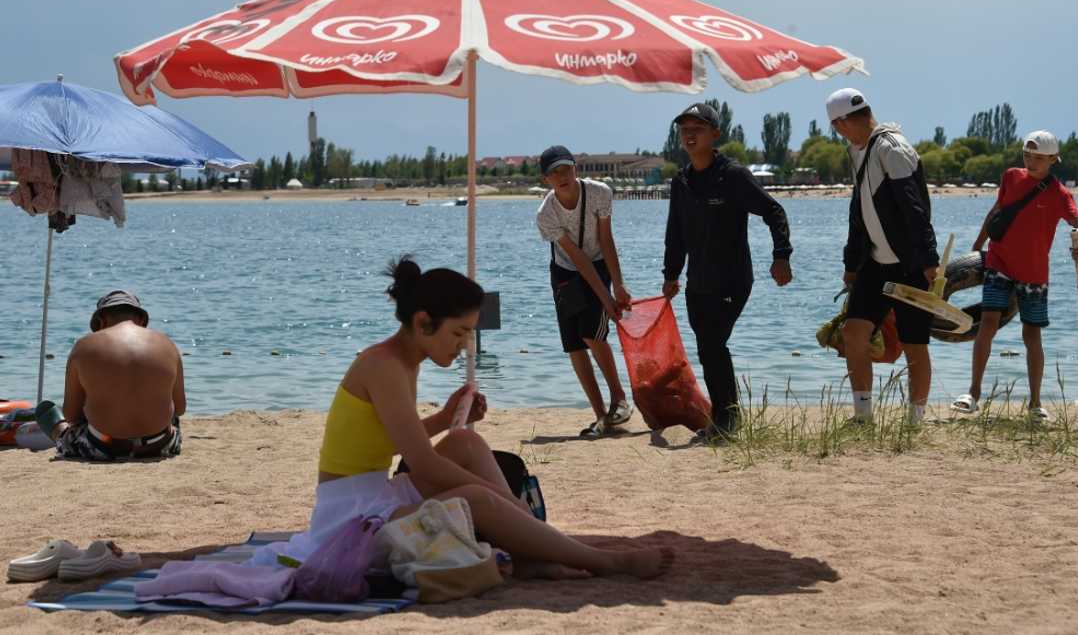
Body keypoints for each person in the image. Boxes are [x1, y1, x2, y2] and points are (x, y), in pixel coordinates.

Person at [253, 257, 672, 580]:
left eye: (469, 334)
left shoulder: (404, 359)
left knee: (467, 444)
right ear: (422, 322)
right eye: (458, 333)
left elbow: (396, 440)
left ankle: (531, 553)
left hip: (376, 495)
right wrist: (492, 497)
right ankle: (601, 561)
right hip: (348, 520)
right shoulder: (383, 365)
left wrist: (445, 418)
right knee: (473, 498)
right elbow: (426, 462)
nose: (464, 345)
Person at [661, 103, 794, 440]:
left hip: (733, 278)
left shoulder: (732, 176)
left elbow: (773, 211)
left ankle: (727, 420)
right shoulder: (682, 182)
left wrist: (781, 255)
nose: (690, 135)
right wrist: (671, 274)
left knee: (713, 343)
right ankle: (723, 417)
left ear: (715, 134)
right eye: (685, 129)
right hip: (697, 282)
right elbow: (675, 232)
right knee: (708, 348)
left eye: (698, 128)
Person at [952, 130, 1078, 422]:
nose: (1031, 161)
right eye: (1027, 155)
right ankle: (973, 394)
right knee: (987, 322)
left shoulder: (1060, 194)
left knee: (1031, 334)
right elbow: (997, 211)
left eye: (1038, 157)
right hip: (999, 263)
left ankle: (1035, 404)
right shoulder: (1011, 176)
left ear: (1052, 159)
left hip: (1034, 272)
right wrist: (977, 246)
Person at [827, 88, 939, 425]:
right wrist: (851, 265)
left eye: (837, 125)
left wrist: (929, 260)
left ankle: (914, 421)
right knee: (853, 332)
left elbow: (915, 208)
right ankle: (863, 416)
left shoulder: (893, 148)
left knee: (914, 344)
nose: (838, 132)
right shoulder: (858, 150)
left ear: (842, 122)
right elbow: (858, 212)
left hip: (910, 266)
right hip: (875, 265)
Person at [536, 145, 633, 438]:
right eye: (554, 173)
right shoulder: (545, 214)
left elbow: (606, 239)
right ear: (546, 180)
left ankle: (620, 400)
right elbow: (575, 257)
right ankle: (600, 415)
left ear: (576, 168)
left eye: (566, 169)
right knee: (574, 345)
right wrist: (607, 299)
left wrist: (617, 285)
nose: (562, 176)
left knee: (592, 332)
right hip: (566, 270)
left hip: (600, 263)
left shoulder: (600, 193)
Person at [34, 290, 185, 460]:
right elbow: (179, 408)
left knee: (51, 417)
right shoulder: (168, 344)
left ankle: (58, 431)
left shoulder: (83, 346)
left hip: (105, 447)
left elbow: (71, 414)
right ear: (142, 320)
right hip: (160, 445)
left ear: (101, 320)